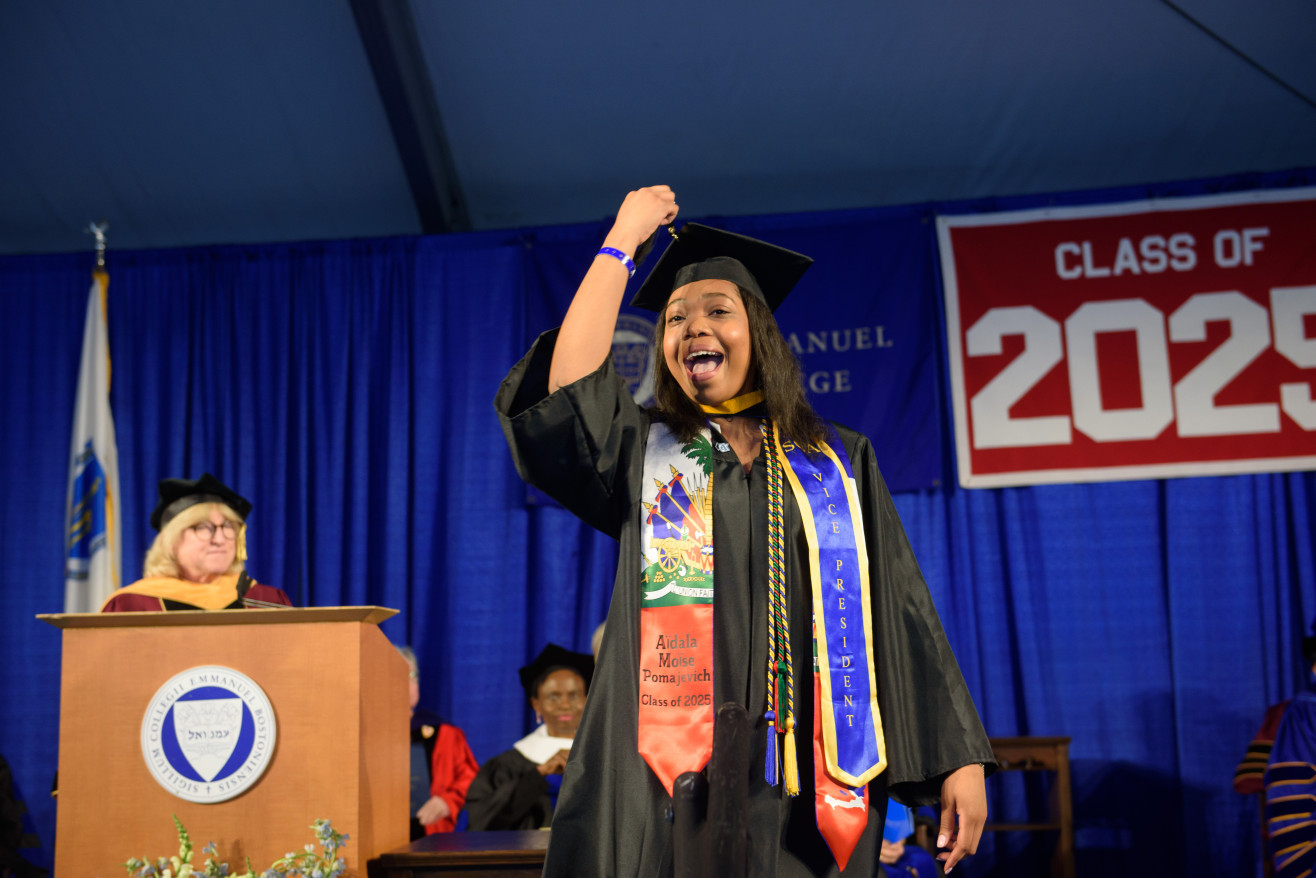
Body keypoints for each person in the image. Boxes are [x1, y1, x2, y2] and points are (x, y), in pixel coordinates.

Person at [494, 185, 994, 876]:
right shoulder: (644, 454)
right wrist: (623, 239)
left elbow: (900, 609)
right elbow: (566, 389)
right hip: (663, 775)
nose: (692, 327)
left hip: (804, 775)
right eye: (674, 318)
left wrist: (959, 758)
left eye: (717, 311)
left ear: (759, 333)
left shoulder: (837, 462)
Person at [100, 473, 292, 611]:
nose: (219, 539)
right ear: (171, 541)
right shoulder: (132, 605)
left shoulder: (265, 601)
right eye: (203, 527)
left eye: (228, 527)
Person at [465, 644, 592, 831]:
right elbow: (481, 824)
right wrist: (538, 775)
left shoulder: (606, 756)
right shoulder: (507, 766)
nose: (565, 705)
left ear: (587, 699)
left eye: (574, 696)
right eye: (553, 697)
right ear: (536, 704)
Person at [400, 646, 479, 838]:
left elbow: (472, 780)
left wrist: (447, 802)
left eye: (411, 676)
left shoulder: (444, 733)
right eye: (396, 676)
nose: (406, 684)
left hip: (431, 838)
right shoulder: (363, 736)